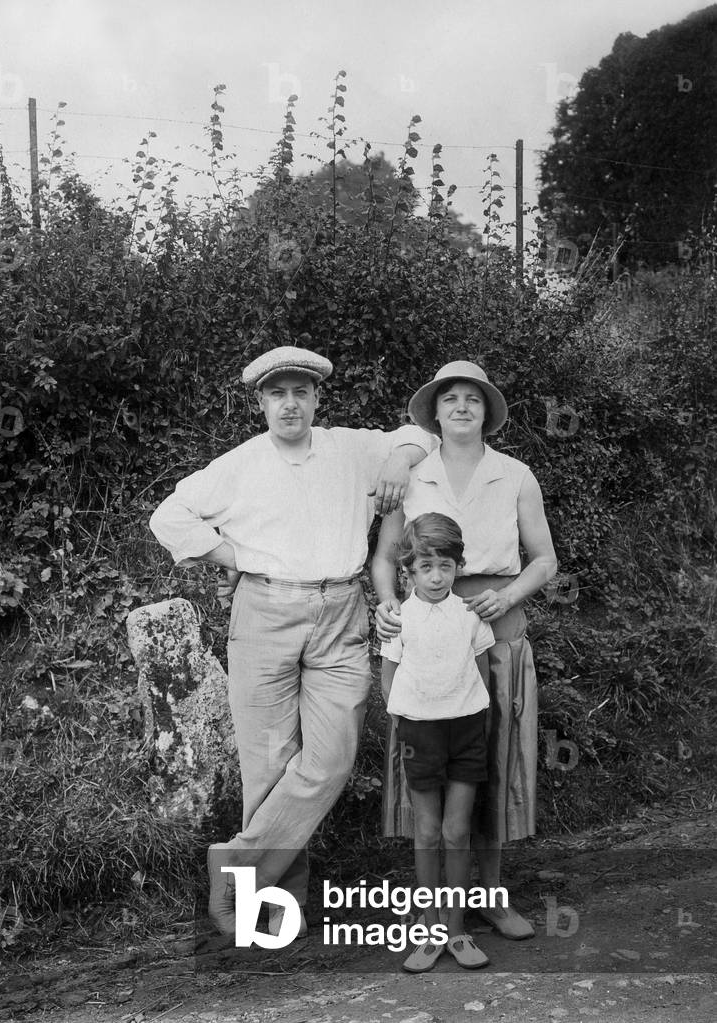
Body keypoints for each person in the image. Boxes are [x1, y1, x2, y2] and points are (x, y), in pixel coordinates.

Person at [149, 345, 435, 941]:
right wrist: (232, 555)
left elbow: (421, 434)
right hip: (265, 612)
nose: (289, 405)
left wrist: (398, 459)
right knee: (270, 767)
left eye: (300, 392)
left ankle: (238, 864)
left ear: (316, 398)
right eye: (277, 394)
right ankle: (278, 909)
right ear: (260, 402)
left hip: (341, 614)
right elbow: (168, 517)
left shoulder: (348, 449)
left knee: (330, 760)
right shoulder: (242, 463)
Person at [372, 360, 557, 940]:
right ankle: (434, 907)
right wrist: (388, 605)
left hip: (494, 631)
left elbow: (545, 559)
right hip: (427, 638)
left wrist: (508, 596)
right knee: (431, 767)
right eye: (449, 397)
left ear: (487, 412)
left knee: (493, 765)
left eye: (472, 399)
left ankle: (491, 898)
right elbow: (385, 558)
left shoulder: (515, 475)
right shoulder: (413, 475)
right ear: (433, 412)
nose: (460, 406)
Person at [381, 512, 495, 973]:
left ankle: (457, 930)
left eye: (445, 566)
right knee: (427, 832)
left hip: (467, 731)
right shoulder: (398, 620)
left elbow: (482, 674)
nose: (435, 577)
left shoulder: (470, 616)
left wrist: (475, 717)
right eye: (425, 567)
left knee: (456, 831)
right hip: (420, 733)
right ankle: (430, 932)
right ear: (408, 571)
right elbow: (388, 680)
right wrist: (407, 724)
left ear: (457, 567)